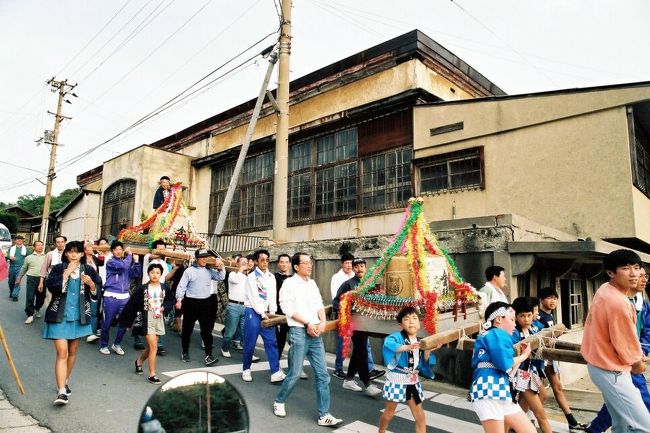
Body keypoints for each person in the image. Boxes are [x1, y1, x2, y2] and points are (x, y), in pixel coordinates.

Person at [581, 249, 650, 433]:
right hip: (612, 371)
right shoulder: (618, 302)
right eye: (626, 268)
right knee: (644, 426)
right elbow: (624, 343)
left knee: (620, 423)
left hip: (600, 365)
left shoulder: (605, 289)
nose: (634, 273)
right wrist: (637, 362)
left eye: (636, 267)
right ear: (611, 272)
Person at [274, 252, 342, 427]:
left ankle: (323, 414)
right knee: (295, 373)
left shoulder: (312, 283)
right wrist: (307, 323)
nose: (309, 265)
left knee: (323, 375)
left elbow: (319, 305)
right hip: (299, 331)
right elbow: (286, 308)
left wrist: (323, 322)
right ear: (296, 267)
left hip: (316, 333)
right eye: (305, 263)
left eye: (310, 263)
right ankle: (279, 401)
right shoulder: (289, 283)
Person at [43, 241, 100, 406]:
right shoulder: (58, 268)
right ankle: (61, 392)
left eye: (77, 252)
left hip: (79, 316)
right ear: (66, 253)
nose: (74, 254)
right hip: (59, 316)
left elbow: (96, 290)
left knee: (73, 351)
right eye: (70, 251)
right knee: (62, 352)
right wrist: (66, 273)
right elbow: (52, 287)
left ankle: (64, 380)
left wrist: (91, 284)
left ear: (83, 254)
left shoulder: (88, 270)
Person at [469, 301, 536, 433]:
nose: (514, 323)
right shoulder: (497, 334)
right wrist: (524, 356)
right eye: (512, 319)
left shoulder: (488, 335)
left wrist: (523, 356)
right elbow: (505, 364)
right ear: (499, 319)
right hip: (489, 391)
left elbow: (508, 369)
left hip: (496, 390)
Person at [378, 306, 438, 433]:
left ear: (419, 323)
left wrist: (427, 351)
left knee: (420, 416)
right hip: (397, 380)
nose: (411, 321)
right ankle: (381, 431)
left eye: (415, 318)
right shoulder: (395, 337)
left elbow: (423, 365)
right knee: (389, 413)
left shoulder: (421, 342)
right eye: (407, 319)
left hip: (412, 381)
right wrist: (407, 347)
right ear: (400, 324)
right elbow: (388, 345)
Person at [536, 287, 586, 431]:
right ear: (541, 300)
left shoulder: (550, 316)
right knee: (539, 393)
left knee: (557, 387)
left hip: (550, 357)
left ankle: (571, 421)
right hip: (539, 358)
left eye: (555, 298)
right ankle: (523, 419)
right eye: (549, 298)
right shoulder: (537, 317)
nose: (553, 301)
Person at [335, 257, 383, 396]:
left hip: (367, 323)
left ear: (365, 268)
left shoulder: (370, 284)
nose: (359, 268)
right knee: (361, 350)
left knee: (358, 351)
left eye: (362, 266)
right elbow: (337, 302)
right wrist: (346, 312)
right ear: (353, 269)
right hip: (354, 324)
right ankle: (367, 383)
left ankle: (349, 379)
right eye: (356, 266)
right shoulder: (348, 284)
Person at [175, 248, 225, 366]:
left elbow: (220, 277)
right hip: (191, 303)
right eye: (202, 258)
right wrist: (179, 300)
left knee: (207, 331)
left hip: (205, 303)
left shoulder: (209, 270)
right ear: (197, 259)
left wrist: (222, 267)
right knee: (187, 330)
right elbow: (181, 286)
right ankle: (185, 351)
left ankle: (209, 355)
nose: (204, 260)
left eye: (206, 257)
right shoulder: (189, 271)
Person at [120, 263, 168, 385]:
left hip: (158, 318)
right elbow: (131, 305)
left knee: (151, 347)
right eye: (152, 272)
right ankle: (152, 374)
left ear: (161, 274)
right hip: (146, 319)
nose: (155, 275)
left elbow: (170, 300)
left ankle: (139, 361)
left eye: (157, 273)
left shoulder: (164, 287)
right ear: (148, 274)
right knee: (154, 348)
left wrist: (164, 307)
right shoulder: (142, 289)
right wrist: (127, 323)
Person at [241, 249, 284, 383]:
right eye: (262, 260)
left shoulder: (271, 277)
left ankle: (275, 372)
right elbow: (254, 298)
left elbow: (272, 296)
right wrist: (262, 313)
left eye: (267, 260)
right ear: (255, 262)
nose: (265, 262)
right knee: (250, 342)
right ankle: (246, 369)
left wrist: (273, 314)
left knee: (271, 342)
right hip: (253, 311)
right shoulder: (251, 277)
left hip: (267, 313)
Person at [511, 297, 551, 433]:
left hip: (532, 371)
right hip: (522, 374)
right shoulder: (514, 333)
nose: (526, 319)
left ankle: (516, 425)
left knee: (544, 395)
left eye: (529, 315)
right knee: (542, 415)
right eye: (522, 316)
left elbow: (544, 331)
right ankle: (519, 424)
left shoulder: (534, 327)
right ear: (515, 316)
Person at [99, 240, 141, 356]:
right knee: (107, 322)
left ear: (122, 250)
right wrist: (130, 255)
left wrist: (136, 262)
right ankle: (103, 345)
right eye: (115, 249)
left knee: (125, 322)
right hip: (111, 295)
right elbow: (122, 266)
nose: (118, 251)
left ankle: (117, 344)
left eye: (120, 249)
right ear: (112, 251)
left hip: (124, 297)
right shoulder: (111, 262)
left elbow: (136, 274)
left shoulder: (126, 262)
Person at [331, 252, 354, 379]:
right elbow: (336, 296)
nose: (349, 265)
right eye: (347, 263)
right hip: (343, 313)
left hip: (356, 313)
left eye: (351, 263)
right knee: (342, 342)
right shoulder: (336, 277)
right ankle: (338, 368)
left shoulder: (356, 275)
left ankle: (369, 368)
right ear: (342, 264)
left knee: (363, 342)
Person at [221, 255, 248, 358]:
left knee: (244, 331)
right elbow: (236, 280)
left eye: (246, 262)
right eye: (243, 262)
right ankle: (225, 348)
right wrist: (241, 270)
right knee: (230, 332)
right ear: (237, 264)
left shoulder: (246, 277)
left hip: (244, 306)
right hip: (233, 306)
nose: (245, 264)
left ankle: (246, 350)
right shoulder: (233, 274)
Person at [16, 240, 46, 323]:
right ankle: (30, 315)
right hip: (31, 278)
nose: (40, 247)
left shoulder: (46, 257)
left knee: (41, 297)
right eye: (38, 245)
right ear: (34, 247)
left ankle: (37, 309)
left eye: (41, 245)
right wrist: (19, 278)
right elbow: (24, 268)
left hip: (43, 279)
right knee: (30, 297)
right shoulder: (28, 257)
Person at [39, 235, 67, 308]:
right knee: (50, 300)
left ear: (65, 242)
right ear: (55, 243)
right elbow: (44, 268)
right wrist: (41, 282)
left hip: (66, 281)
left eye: (62, 242)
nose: (60, 244)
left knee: (63, 301)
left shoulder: (69, 254)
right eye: (58, 242)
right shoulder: (50, 254)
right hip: (52, 281)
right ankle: (49, 317)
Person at [274, 253, 292, 357]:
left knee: (295, 342)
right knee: (279, 341)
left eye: (286, 262)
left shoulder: (295, 278)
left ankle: (295, 366)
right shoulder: (273, 277)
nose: (284, 264)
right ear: (278, 264)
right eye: (281, 262)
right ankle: (276, 366)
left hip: (293, 315)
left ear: (290, 264)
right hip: (279, 315)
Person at [7, 235, 28, 301]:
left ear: (22, 241)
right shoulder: (11, 248)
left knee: (17, 281)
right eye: (18, 239)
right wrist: (10, 257)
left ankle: (15, 295)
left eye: (21, 239)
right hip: (12, 267)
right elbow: (7, 254)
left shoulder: (25, 249)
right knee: (11, 281)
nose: (19, 240)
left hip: (21, 267)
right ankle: (11, 291)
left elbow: (29, 257)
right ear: (15, 241)